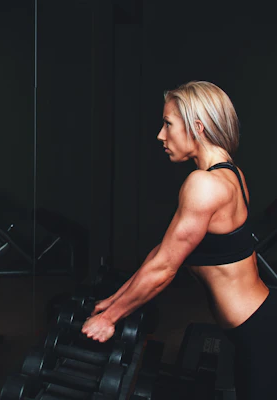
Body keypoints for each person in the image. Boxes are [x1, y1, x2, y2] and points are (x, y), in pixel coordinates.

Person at [81, 81, 275, 399]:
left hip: (259, 332)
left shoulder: (204, 184)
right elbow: (163, 252)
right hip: (257, 324)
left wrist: (110, 320)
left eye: (168, 124)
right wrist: (116, 301)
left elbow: (166, 268)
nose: (161, 135)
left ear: (197, 127)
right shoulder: (232, 175)